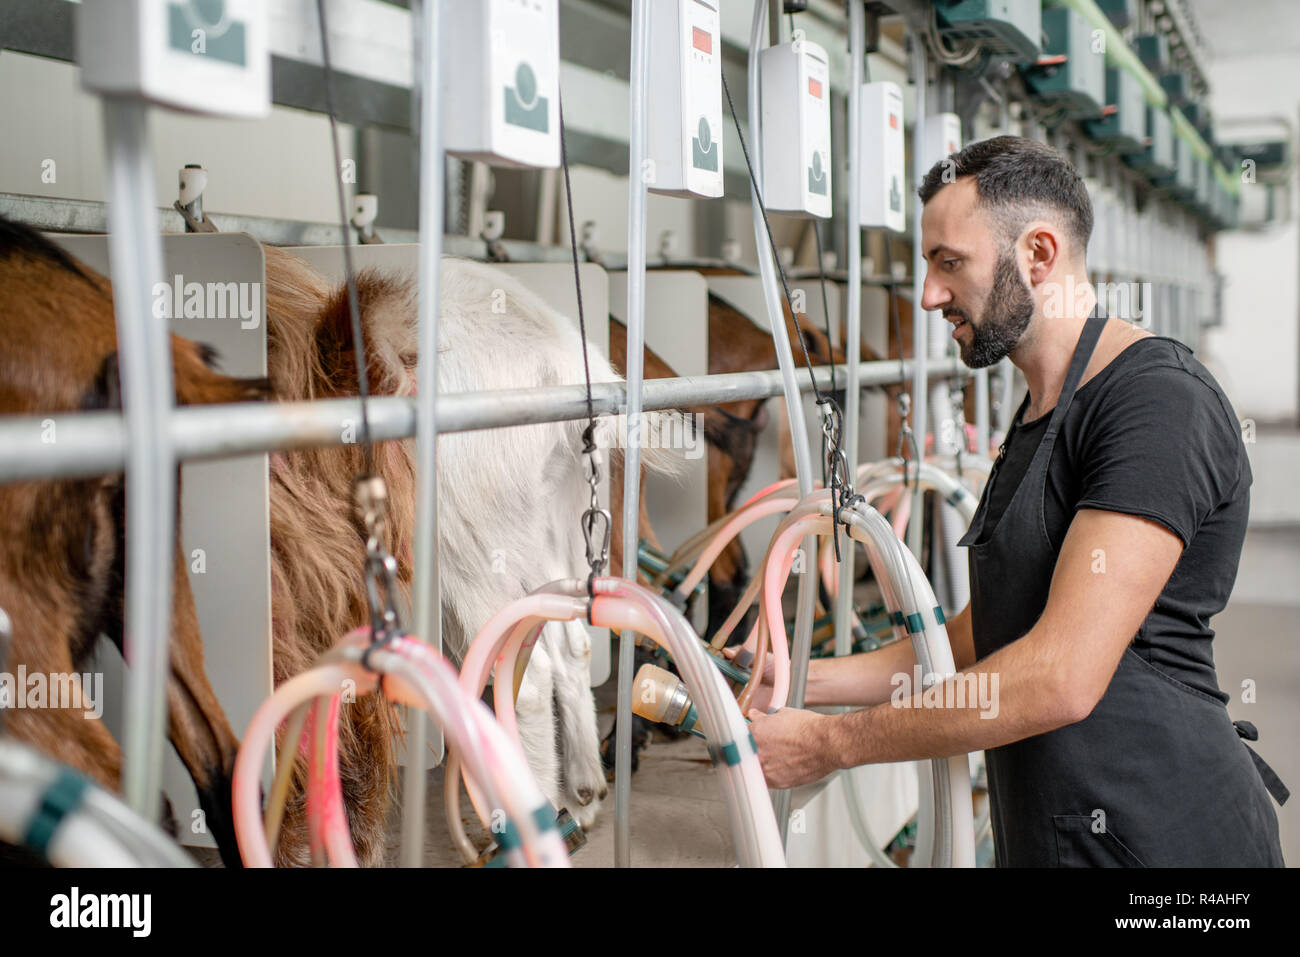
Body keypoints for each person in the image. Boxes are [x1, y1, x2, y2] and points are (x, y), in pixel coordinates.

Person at [743, 135, 1287, 867]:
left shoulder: (1156, 404)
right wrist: (807, 677)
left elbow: (1058, 675)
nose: (930, 295)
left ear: (1038, 254)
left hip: (1165, 841)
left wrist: (831, 743)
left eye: (949, 263)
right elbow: (987, 631)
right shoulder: (1040, 408)